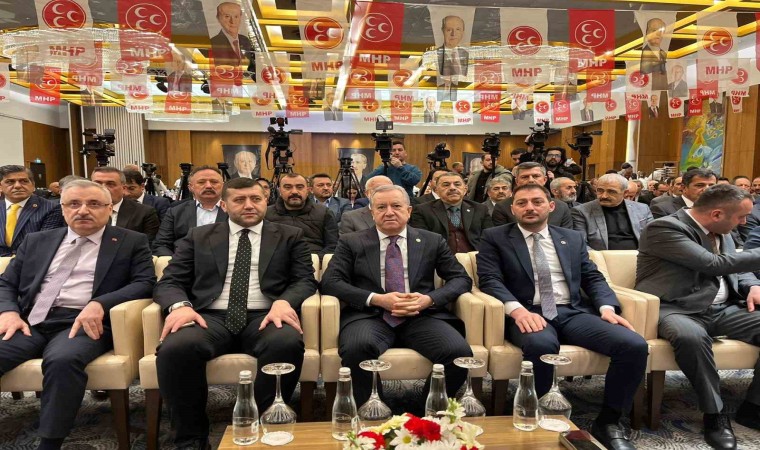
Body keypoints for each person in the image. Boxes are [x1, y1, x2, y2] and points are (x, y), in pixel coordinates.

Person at [477, 183, 647, 450]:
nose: (530, 207)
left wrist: (607, 308)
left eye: (537, 202)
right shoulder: (495, 237)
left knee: (634, 344)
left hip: (571, 311)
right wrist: (517, 310)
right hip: (528, 311)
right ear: (513, 209)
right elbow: (489, 279)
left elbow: (592, 277)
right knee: (541, 345)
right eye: (522, 203)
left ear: (551, 206)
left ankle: (610, 422)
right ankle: (538, 416)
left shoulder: (571, 237)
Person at [154, 177, 316, 449]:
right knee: (176, 347)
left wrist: (285, 302)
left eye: (256, 199)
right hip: (210, 316)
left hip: (265, 314)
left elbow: (305, 280)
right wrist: (180, 306)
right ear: (224, 205)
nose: (249, 205)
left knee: (286, 342)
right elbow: (170, 281)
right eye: (239, 200)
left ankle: (266, 429)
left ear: (266, 201)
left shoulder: (290, 235)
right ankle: (190, 439)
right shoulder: (198, 236)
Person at [0, 179, 155, 450]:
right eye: (74, 204)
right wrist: (9, 312)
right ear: (62, 209)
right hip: (31, 320)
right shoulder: (37, 241)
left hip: (83, 322)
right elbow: (6, 283)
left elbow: (144, 282)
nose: (83, 210)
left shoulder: (130, 241)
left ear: (109, 208)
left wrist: (100, 303)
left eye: (93, 204)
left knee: (62, 361)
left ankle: (50, 442)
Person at [320, 185, 473, 408]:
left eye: (396, 206)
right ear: (372, 213)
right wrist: (377, 298)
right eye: (381, 207)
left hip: (420, 315)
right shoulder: (352, 241)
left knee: (459, 354)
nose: (389, 212)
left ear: (409, 211)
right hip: (371, 315)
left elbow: (461, 279)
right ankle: (373, 412)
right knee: (356, 349)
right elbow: (330, 282)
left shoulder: (431, 240)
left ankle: (426, 413)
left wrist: (429, 300)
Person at [635, 185, 760, 449]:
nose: (744, 223)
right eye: (741, 217)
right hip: (675, 307)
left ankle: (754, 407)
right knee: (691, 337)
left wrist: (753, 285)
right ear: (717, 214)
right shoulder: (663, 228)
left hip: (723, 308)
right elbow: (713, 264)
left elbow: (736, 265)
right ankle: (715, 413)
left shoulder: (723, 229)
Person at [153, 166, 228, 256]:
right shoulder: (176, 212)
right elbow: (161, 244)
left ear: (223, 186)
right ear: (191, 187)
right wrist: (173, 261)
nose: (208, 186)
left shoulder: (235, 210)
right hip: (183, 262)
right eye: (201, 182)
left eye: (214, 182)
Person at [410, 172, 492, 253]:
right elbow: (422, 241)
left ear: (465, 189)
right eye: (446, 185)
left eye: (457, 184)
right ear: (436, 190)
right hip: (439, 257)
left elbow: (489, 238)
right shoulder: (422, 210)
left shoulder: (480, 209)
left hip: (475, 257)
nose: (452, 188)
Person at [571, 174, 653, 251]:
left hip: (639, 256)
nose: (604, 196)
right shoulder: (582, 211)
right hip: (600, 257)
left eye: (611, 192)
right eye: (600, 191)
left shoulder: (642, 209)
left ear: (625, 193)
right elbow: (581, 244)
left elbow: (653, 237)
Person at [265, 173, 338, 258]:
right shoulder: (266, 214)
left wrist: (316, 260)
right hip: (277, 261)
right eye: (288, 187)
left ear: (307, 190)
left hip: (314, 260)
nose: (294, 192)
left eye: (300, 187)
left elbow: (333, 245)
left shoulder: (324, 212)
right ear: (280, 190)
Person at [0, 165, 65, 257]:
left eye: (24, 181)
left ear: (33, 185)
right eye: (10, 182)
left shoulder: (51, 208)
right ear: (0, 186)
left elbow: (44, 244)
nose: (18, 186)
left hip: (29, 261)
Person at [492, 162, 573, 228]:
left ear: (545, 180)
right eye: (525, 177)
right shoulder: (502, 207)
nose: (531, 180)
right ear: (517, 181)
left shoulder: (561, 207)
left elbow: (567, 237)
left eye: (536, 176)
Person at [91, 167, 160, 244]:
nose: (103, 188)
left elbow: (147, 245)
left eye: (110, 184)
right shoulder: (82, 211)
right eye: (97, 184)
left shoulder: (144, 213)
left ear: (123, 188)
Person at [651, 169, 716, 219]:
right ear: (684, 187)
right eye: (699, 185)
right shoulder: (663, 209)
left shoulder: (718, 208)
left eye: (712, 185)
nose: (707, 189)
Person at [209, 1, 254, 72]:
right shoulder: (213, 43)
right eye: (227, 16)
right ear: (218, 18)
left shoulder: (246, 41)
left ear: (240, 18)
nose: (232, 21)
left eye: (236, 16)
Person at [436, 15, 469, 100]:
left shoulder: (467, 54)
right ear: (443, 31)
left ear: (463, 31)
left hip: (464, 99)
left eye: (458, 29)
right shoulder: (435, 54)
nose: (453, 34)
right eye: (449, 30)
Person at [640, 17, 668, 91]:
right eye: (654, 30)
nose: (658, 34)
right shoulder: (642, 53)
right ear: (647, 33)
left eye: (661, 31)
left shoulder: (663, 54)